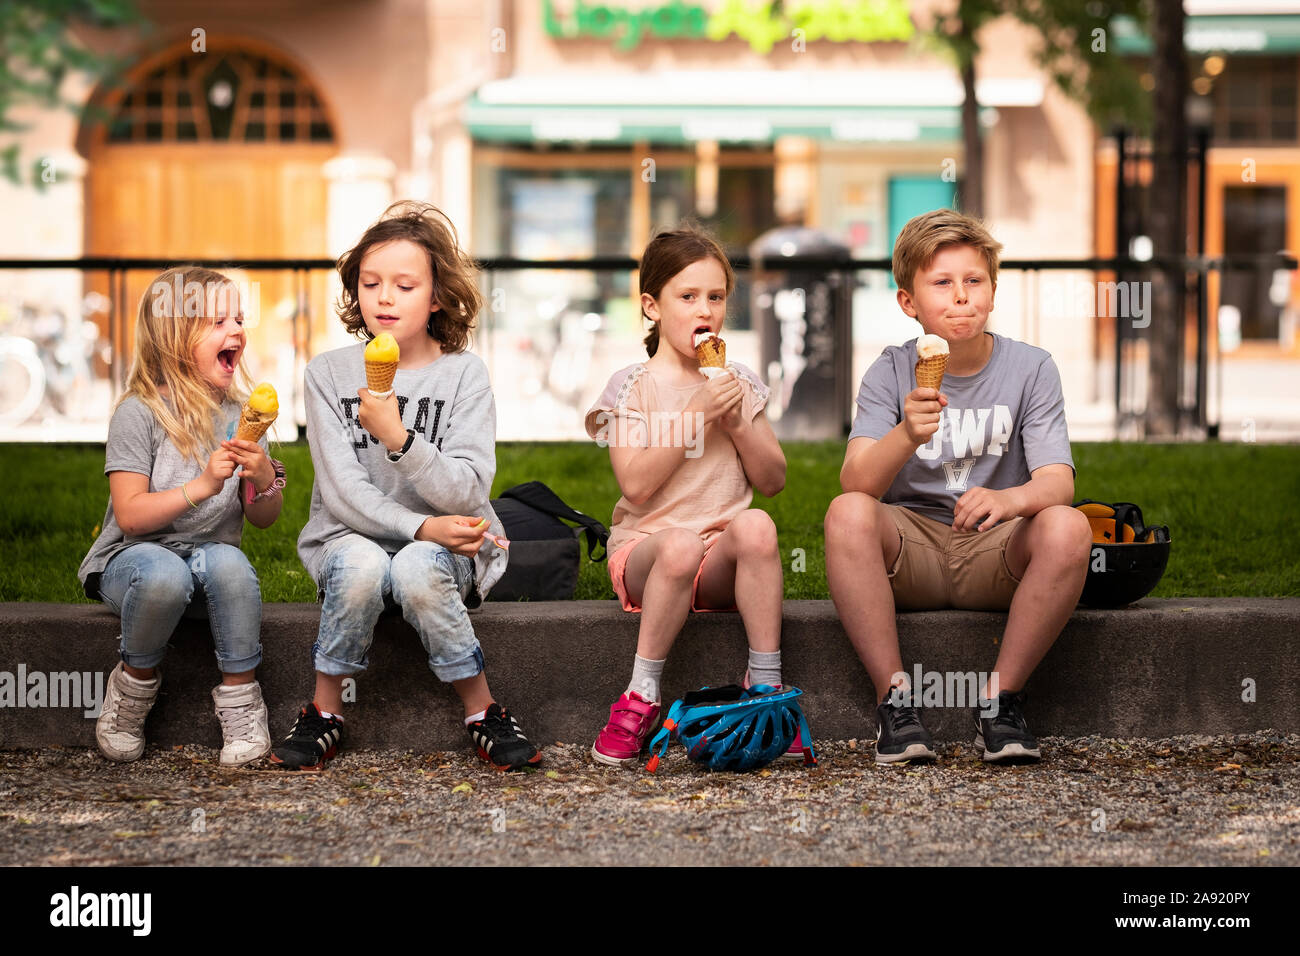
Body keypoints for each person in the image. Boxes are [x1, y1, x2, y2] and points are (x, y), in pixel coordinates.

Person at [270, 201, 541, 771]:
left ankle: (482, 710)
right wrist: (419, 524)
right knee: (367, 565)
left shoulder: (465, 374)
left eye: (404, 285)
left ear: (437, 296)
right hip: (349, 540)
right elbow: (341, 493)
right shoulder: (328, 374)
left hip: (445, 549)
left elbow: (469, 489)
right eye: (371, 283)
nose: (384, 297)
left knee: (417, 566)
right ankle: (323, 711)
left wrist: (401, 440)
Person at [826, 209, 1092, 764]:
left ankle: (1001, 703)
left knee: (1068, 526)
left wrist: (1009, 499)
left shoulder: (1032, 368)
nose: (961, 297)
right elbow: (856, 482)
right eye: (942, 284)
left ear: (993, 291)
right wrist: (905, 434)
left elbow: (1058, 481)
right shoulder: (891, 371)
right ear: (909, 302)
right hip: (913, 549)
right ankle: (895, 703)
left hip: (996, 546)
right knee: (846, 513)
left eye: (974, 281)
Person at [584, 225, 792, 767]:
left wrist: (737, 421)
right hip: (648, 552)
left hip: (719, 555)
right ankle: (640, 696)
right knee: (677, 545)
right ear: (652, 306)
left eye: (716, 297)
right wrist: (696, 411)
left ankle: (766, 690)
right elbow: (636, 484)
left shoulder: (738, 381)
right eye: (688, 296)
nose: (705, 310)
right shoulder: (632, 385)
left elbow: (772, 481)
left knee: (759, 526)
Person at [79, 266, 282, 766]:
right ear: (173, 339)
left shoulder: (243, 418)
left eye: (239, 318)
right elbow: (130, 516)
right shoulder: (139, 413)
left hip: (208, 563)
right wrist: (203, 486)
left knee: (233, 566)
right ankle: (133, 689)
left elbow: (265, 519)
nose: (236, 330)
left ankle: (241, 702)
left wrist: (262, 480)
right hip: (133, 563)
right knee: (164, 573)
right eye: (219, 322)